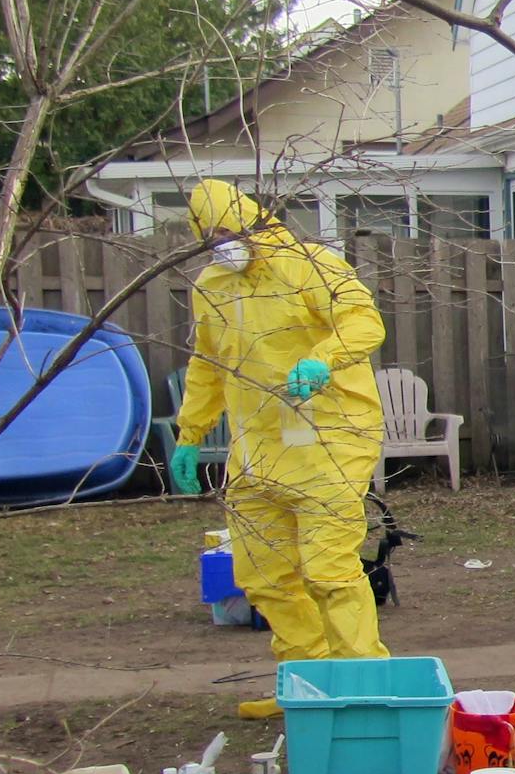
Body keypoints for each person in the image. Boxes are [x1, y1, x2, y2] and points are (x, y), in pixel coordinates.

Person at [167, 180, 389, 720]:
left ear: (253, 221)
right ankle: (306, 688)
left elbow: (364, 322)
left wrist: (324, 358)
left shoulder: (310, 266)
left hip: (330, 435)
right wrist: (190, 434)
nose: (225, 242)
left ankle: (363, 687)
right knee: (263, 575)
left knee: (329, 570)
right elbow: (207, 364)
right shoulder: (213, 285)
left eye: (232, 230)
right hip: (257, 446)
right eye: (213, 234)